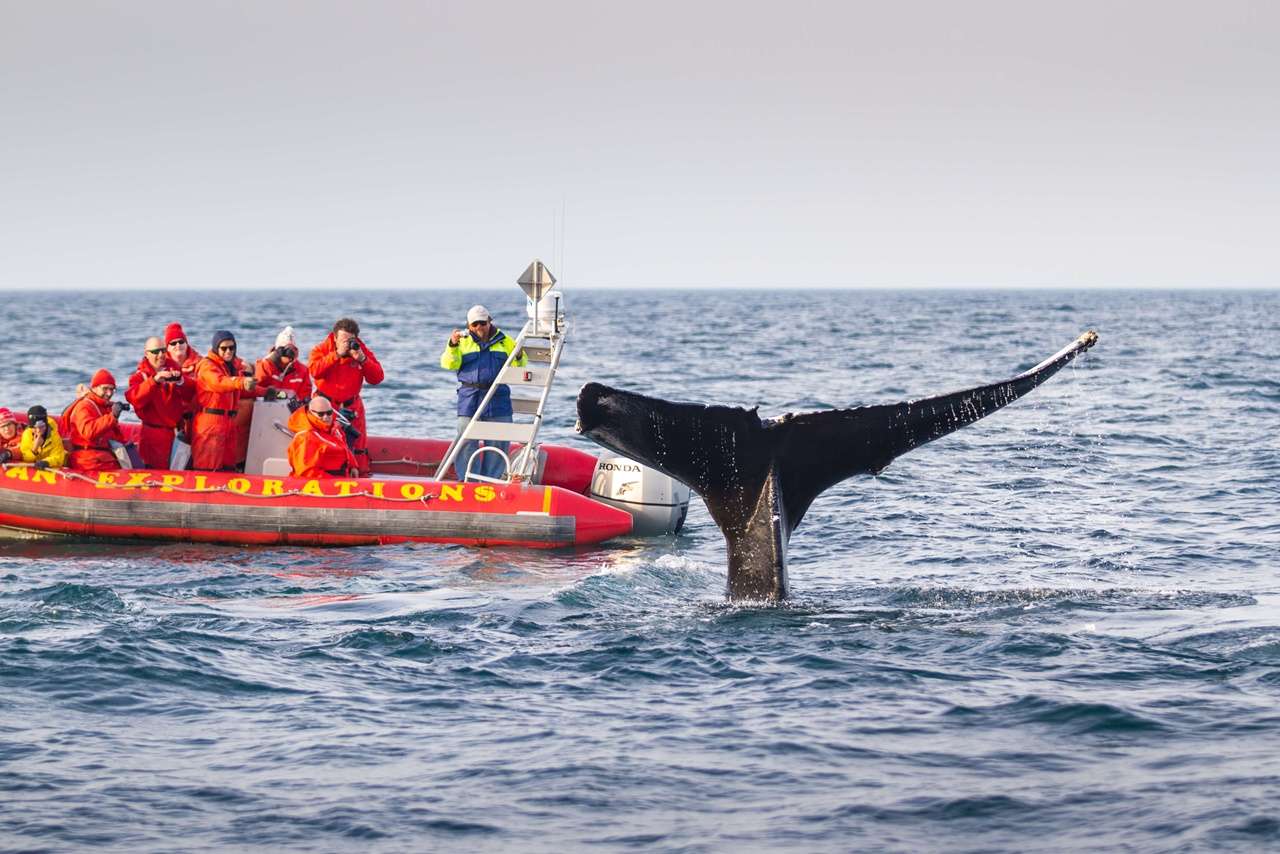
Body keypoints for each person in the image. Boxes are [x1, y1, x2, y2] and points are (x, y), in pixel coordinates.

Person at [440, 304, 526, 480]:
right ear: (469, 325)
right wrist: (452, 345)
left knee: (498, 441)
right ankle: (467, 480)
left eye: (482, 323)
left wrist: (518, 355)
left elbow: (521, 364)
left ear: (490, 322)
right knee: (465, 440)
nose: (479, 327)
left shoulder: (505, 341)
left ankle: (491, 480)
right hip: (469, 397)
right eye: (475, 324)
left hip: (498, 397)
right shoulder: (461, 342)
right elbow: (449, 364)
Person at [309, 318, 383, 476]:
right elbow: (314, 371)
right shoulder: (321, 349)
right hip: (326, 408)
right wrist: (336, 355)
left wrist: (362, 359)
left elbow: (377, 378)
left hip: (352, 407)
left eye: (350, 340)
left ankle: (360, 479)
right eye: (342, 340)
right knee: (324, 447)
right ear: (334, 338)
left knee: (358, 449)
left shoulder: (360, 350)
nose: (346, 344)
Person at [192, 331, 256, 471]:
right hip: (211, 423)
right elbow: (218, 382)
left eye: (231, 348)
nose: (228, 351)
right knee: (208, 469)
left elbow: (241, 388)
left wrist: (268, 391)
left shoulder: (230, 367)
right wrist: (241, 381)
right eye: (224, 348)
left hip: (228, 423)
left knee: (227, 469)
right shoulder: (207, 366)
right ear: (216, 348)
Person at [126, 336, 194, 469]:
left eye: (163, 350)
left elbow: (191, 393)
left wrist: (180, 381)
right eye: (156, 352)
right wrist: (155, 381)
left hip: (176, 436)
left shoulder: (173, 368)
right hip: (153, 437)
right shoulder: (139, 377)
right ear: (147, 354)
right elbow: (134, 398)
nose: (161, 355)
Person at [65, 370, 128, 471]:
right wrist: (112, 417)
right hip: (88, 461)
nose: (109, 393)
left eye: (112, 389)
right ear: (94, 388)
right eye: (105, 389)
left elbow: (113, 436)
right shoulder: (84, 406)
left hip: (103, 457)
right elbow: (88, 432)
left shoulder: (105, 407)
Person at [286, 396, 357, 479]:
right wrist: (336, 482)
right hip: (323, 484)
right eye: (321, 414)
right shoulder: (306, 438)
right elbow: (307, 472)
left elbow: (345, 448)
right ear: (311, 412)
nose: (326, 417)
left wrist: (353, 466)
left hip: (342, 479)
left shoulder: (335, 429)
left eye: (329, 412)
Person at [255, 325, 312, 401]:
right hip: (268, 407)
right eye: (286, 350)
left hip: (293, 409)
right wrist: (281, 395)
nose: (289, 354)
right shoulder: (264, 366)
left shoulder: (302, 370)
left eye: (293, 350)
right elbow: (257, 392)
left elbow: (305, 396)